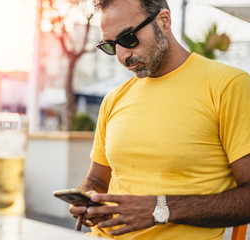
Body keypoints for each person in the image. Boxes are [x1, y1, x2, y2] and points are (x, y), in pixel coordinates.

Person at [68, 0, 250, 239]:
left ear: (163, 21)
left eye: (128, 38)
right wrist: (86, 198)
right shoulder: (113, 99)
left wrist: (161, 209)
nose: (122, 56)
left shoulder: (228, 85)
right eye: (111, 46)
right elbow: (96, 179)